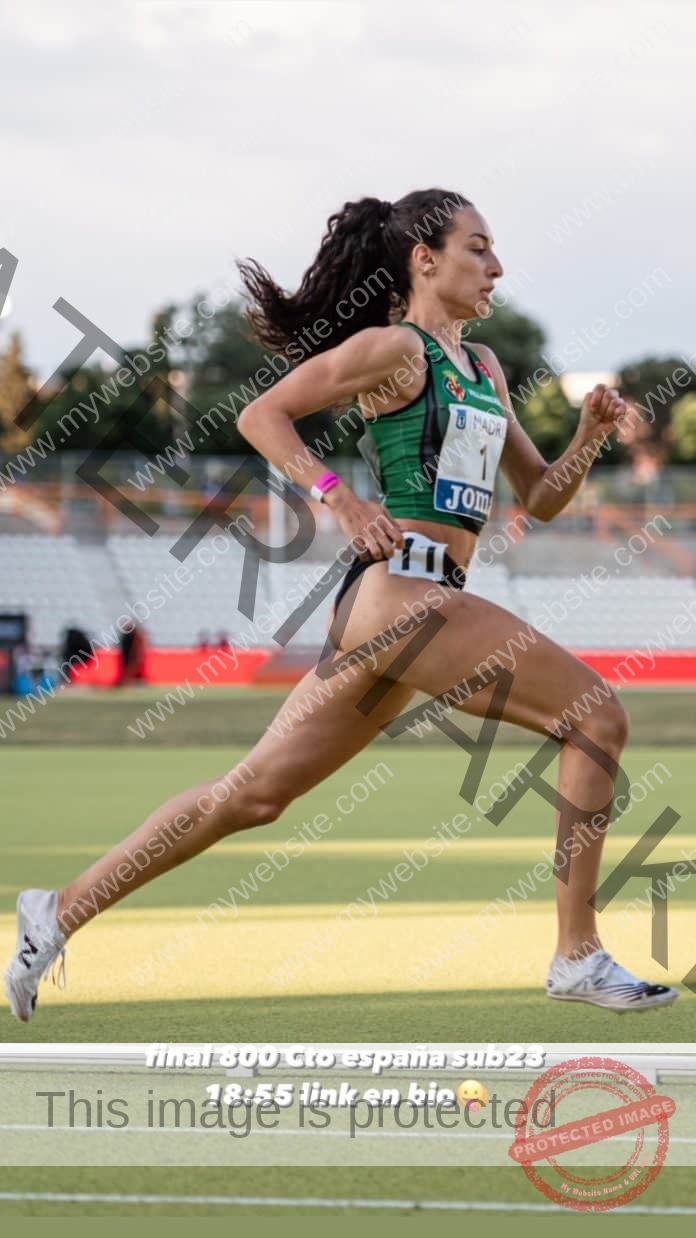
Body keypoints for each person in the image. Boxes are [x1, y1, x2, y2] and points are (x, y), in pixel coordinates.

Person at [4, 189, 678, 1020]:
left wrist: (586, 439)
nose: (497, 266)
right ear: (424, 260)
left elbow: (539, 498)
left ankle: (57, 910)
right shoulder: (395, 349)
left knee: (251, 795)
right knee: (597, 717)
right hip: (401, 595)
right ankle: (576, 954)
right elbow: (262, 415)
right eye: (479, 248)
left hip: (418, 604)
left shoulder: (485, 368)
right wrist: (340, 500)